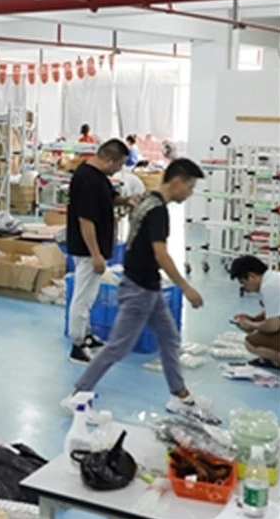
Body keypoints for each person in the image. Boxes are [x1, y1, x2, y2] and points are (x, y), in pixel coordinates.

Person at [62, 158, 211, 417]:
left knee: (169, 338)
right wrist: (186, 287)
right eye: (190, 187)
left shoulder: (147, 200)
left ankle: (180, 395)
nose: (190, 193)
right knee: (117, 347)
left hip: (146, 286)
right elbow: (161, 254)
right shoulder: (157, 211)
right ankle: (78, 393)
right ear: (177, 182)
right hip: (140, 289)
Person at [66, 139, 135, 365]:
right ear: (108, 159)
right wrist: (96, 255)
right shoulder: (88, 180)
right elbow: (86, 220)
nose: (119, 169)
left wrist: (126, 200)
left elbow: (108, 200)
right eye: (119, 164)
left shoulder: (98, 178)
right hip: (87, 250)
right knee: (83, 298)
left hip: (94, 249)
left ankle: (86, 335)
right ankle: (77, 345)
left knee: (89, 295)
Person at [228, 255, 280, 369]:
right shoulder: (273, 278)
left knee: (250, 343)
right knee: (262, 334)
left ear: (252, 276)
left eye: (243, 282)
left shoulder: (269, 286)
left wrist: (251, 325)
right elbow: (275, 311)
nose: (245, 287)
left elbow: (273, 326)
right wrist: (253, 318)